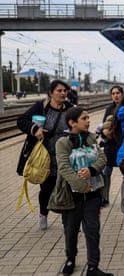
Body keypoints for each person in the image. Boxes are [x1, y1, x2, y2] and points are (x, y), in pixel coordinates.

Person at [52, 107, 112, 276]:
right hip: (71, 197)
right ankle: (70, 258)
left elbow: (102, 158)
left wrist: (92, 170)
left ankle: (93, 266)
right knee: (71, 231)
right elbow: (64, 167)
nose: (88, 121)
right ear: (72, 123)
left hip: (93, 196)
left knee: (93, 231)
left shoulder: (92, 138)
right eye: (84, 118)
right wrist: (81, 185)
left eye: (88, 117)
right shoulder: (62, 143)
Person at [16, 79, 73, 230]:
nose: (63, 93)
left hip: (64, 156)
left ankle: (66, 219)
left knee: (65, 187)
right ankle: (43, 214)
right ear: (51, 93)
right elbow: (21, 121)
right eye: (59, 91)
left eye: (65, 91)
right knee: (46, 189)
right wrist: (35, 129)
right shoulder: (41, 107)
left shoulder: (71, 109)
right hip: (45, 157)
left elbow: (78, 125)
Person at [100, 85, 123, 206]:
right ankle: (105, 198)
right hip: (110, 145)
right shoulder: (109, 108)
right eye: (113, 93)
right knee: (106, 172)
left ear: (122, 94)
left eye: (118, 93)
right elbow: (104, 124)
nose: (116, 95)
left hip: (122, 145)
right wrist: (104, 132)